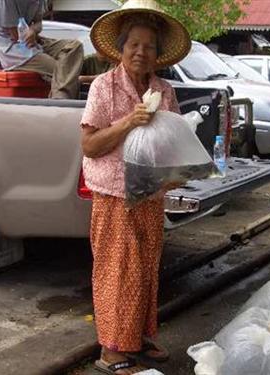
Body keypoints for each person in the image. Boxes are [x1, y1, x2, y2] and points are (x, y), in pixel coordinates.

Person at [80, 0, 191, 373]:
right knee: (117, 270)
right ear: (122, 49)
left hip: (150, 194)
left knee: (145, 268)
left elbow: (172, 142)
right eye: (134, 45)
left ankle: (136, 337)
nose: (142, 52)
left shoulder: (165, 90)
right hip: (113, 194)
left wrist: (183, 166)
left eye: (150, 46)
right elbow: (90, 145)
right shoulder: (103, 87)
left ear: (159, 54)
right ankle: (111, 351)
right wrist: (130, 121)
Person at [0, 0, 84, 99]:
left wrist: (33, 30)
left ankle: (62, 98)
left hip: (34, 40)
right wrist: (31, 34)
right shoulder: (5, 2)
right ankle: (60, 102)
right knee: (62, 69)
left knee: (74, 46)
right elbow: (15, 35)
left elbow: (39, 23)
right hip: (15, 50)